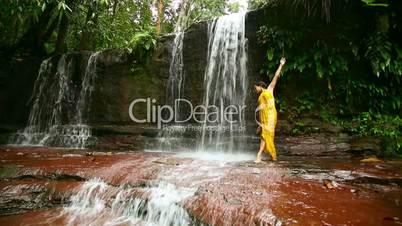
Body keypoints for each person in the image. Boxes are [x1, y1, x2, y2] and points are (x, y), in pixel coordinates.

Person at [254, 57, 286, 163]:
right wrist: (259, 124)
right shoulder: (260, 96)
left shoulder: (269, 90)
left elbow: (276, 76)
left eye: (256, 88)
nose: (255, 90)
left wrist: (281, 64)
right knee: (265, 136)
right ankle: (268, 156)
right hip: (264, 119)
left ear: (260, 86)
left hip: (271, 116)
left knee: (265, 136)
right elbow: (261, 110)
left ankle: (259, 156)